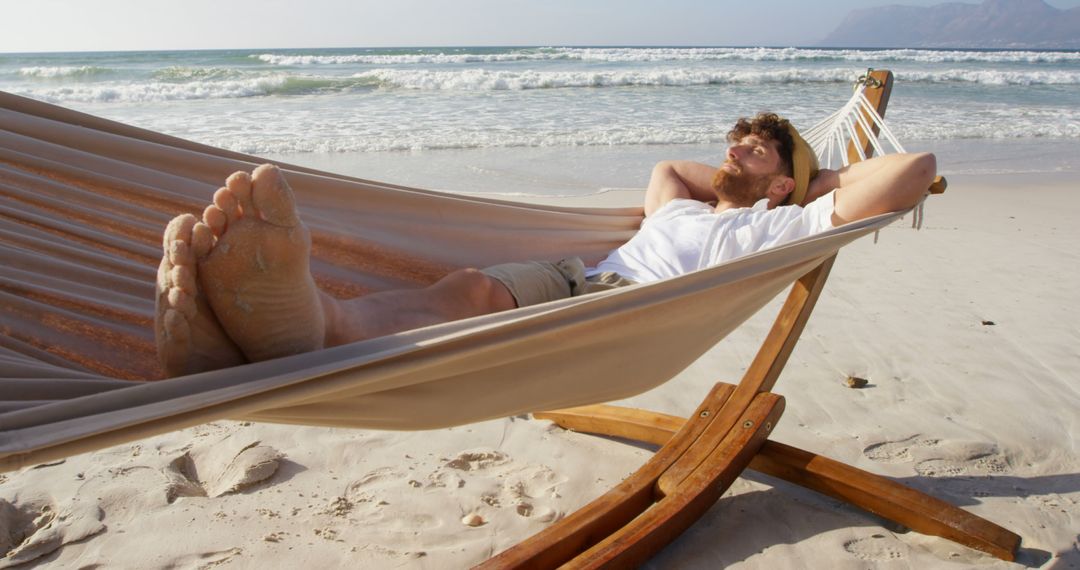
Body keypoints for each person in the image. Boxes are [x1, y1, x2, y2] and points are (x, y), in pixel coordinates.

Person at [154, 113, 936, 377]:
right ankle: (291, 329)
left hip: (622, 306)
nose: (732, 150)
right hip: (578, 275)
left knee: (470, 299)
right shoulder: (675, 206)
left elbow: (912, 171)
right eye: (732, 140)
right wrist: (754, 170)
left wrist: (808, 183)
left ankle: (309, 327)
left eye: (754, 149)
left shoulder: (778, 225)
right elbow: (668, 168)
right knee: (469, 286)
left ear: (783, 187)